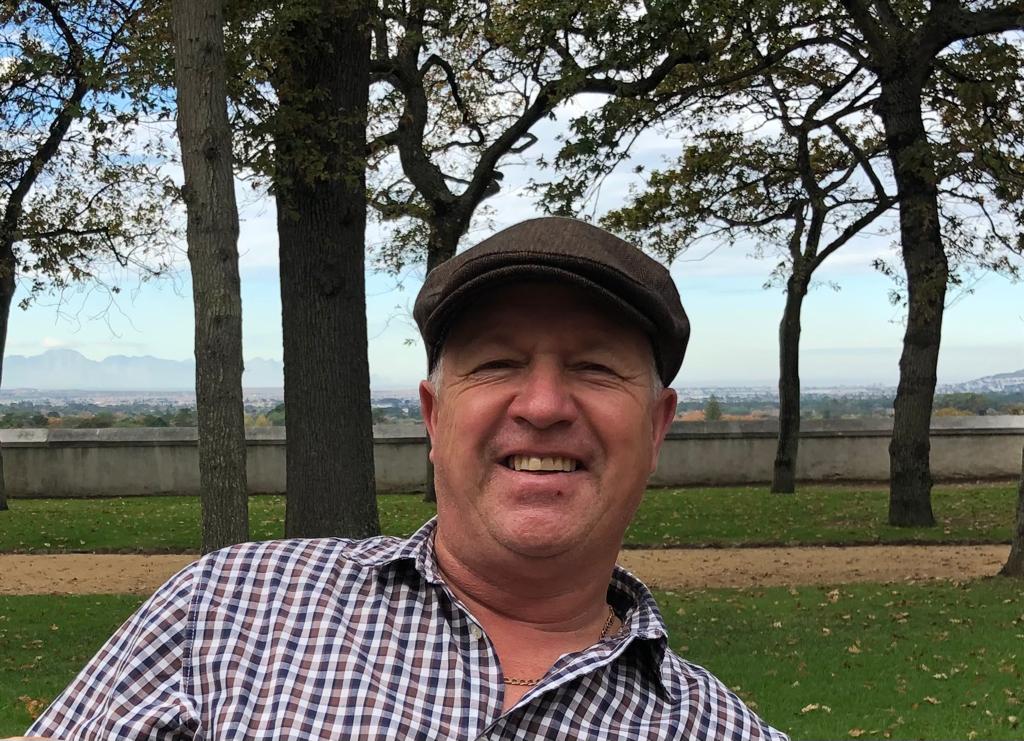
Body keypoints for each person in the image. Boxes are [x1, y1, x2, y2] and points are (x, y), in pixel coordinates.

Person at [19, 217, 788, 740]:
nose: (544, 405)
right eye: (498, 362)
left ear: (655, 428)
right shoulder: (225, 611)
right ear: (434, 416)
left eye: (593, 366)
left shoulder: (721, 728)